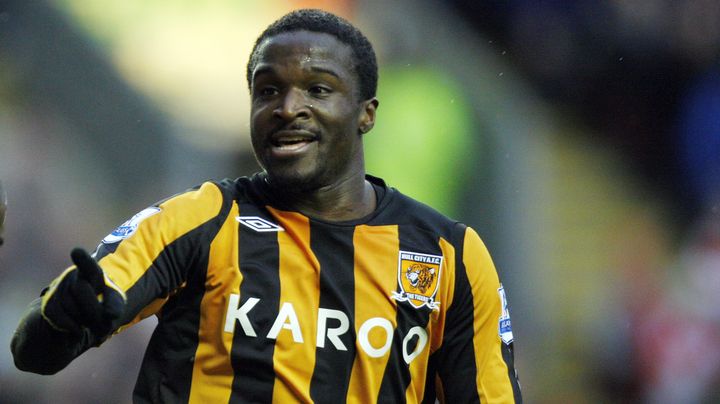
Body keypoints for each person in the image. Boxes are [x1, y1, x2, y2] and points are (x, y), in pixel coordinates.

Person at [11, 9, 521, 403]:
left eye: (318, 89)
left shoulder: (450, 255)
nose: (287, 108)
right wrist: (62, 317)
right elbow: (34, 351)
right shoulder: (200, 220)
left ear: (366, 114)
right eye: (268, 90)